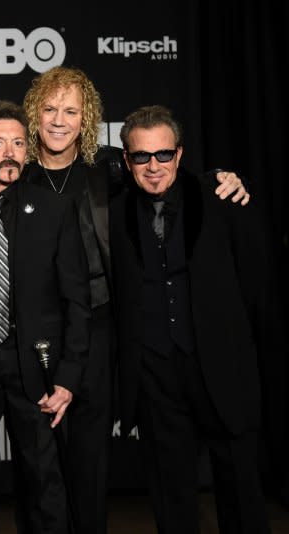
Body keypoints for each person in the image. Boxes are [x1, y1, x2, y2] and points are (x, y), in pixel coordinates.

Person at [17, 66, 250, 534]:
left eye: (72, 110)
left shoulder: (106, 173)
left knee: (94, 470)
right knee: (40, 470)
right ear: (33, 114)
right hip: (48, 340)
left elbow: (168, 175)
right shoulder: (17, 178)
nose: (60, 120)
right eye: (50, 108)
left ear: (87, 119)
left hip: (115, 337)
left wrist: (222, 179)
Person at [110, 104, 273, 534]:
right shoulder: (113, 210)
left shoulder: (221, 198)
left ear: (179, 155)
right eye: (141, 156)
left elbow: (257, 287)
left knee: (240, 488)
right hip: (156, 374)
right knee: (171, 494)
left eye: (163, 154)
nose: (153, 166)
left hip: (221, 365)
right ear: (127, 160)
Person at [0, 100, 90, 534]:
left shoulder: (53, 209)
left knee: (44, 480)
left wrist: (67, 375)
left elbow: (76, 298)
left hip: (34, 363)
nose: (9, 152)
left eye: (16, 143)